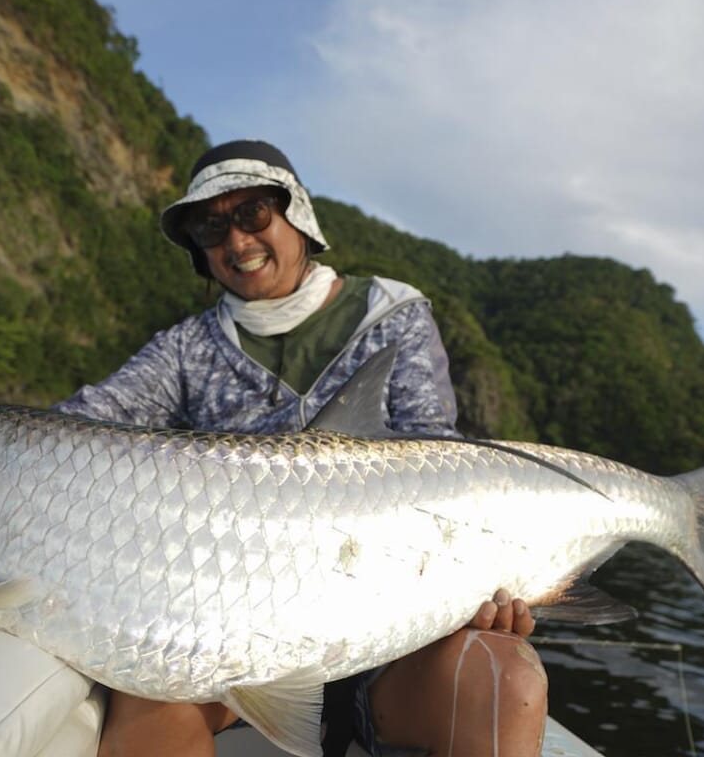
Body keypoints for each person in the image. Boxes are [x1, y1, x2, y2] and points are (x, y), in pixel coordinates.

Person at [53, 140, 548, 757]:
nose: (236, 241)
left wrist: (479, 585)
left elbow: (438, 459)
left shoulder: (391, 314)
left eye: (254, 213)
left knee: (506, 674)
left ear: (299, 216)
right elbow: (77, 428)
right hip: (220, 623)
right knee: (147, 698)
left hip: (394, 621)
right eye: (211, 226)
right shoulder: (184, 348)